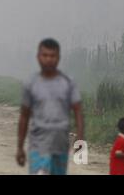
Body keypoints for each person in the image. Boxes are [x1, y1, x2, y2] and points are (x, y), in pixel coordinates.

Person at [16, 38, 84, 175]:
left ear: (58, 58)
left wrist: (80, 138)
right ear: (38, 57)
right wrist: (19, 147)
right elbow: (24, 116)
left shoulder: (68, 83)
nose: (48, 59)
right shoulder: (31, 83)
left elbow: (78, 111)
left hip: (60, 144)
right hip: (38, 144)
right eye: (45, 55)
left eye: (52, 56)